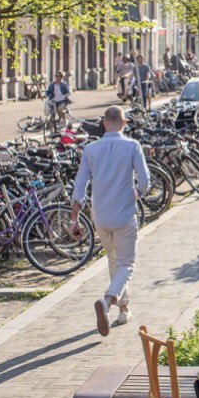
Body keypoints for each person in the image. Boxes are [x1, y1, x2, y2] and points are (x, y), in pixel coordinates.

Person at [70, 106, 151, 336]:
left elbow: (79, 187)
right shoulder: (132, 146)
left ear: (105, 123)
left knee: (113, 260)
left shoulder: (90, 150)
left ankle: (124, 309)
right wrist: (138, 193)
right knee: (127, 264)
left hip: (101, 216)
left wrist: (75, 218)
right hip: (124, 215)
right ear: (124, 123)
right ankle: (108, 301)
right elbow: (145, 181)